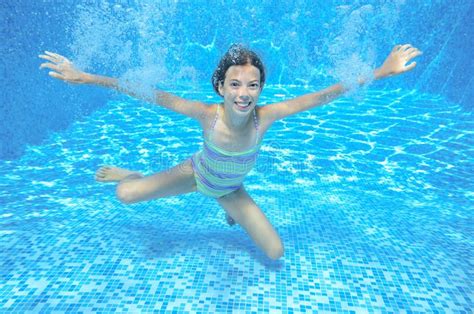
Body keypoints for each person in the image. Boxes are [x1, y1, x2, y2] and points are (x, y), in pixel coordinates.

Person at [39, 43, 422, 260]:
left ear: (260, 89)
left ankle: (228, 208)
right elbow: (148, 94)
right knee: (124, 195)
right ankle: (131, 173)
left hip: (230, 189)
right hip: (194, 175)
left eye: (252, 85)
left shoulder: (265, 118)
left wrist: (381, 72)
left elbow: (322, 96)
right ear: (220, 86)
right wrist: (87, 77)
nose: (244, 93)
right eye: (235, 84)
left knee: (274, 253)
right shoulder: (207, 115)